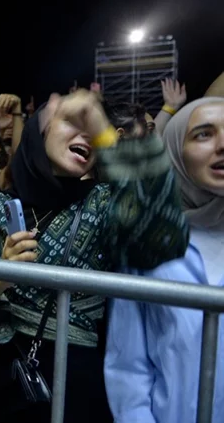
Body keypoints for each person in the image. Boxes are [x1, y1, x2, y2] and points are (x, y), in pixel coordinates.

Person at [0, 89, 189, 423]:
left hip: (75, 379)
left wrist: (105, 131)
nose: (87, 134)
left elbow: (164, 230)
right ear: (39, 134)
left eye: (92, 128)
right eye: (70, 122)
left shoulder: (104, 204)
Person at [105, 97, 224, 423]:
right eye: (203, 134)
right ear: (175, 151)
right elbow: (128, 364)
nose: (223, 144)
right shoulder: (148, 239)